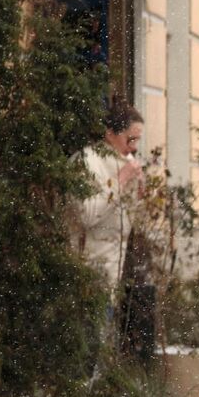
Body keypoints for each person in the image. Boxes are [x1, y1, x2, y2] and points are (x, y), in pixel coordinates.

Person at [75, 101, 144, 317]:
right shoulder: (86, 162)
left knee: (104, 344)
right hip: (85, 275)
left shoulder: (124, 163)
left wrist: (141, 195)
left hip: (112, 277)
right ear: (110, 133)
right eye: (129, 139)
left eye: (137, 140)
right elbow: (87, 215)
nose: (133, 147)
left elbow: (127, 228)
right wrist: (120, 180)